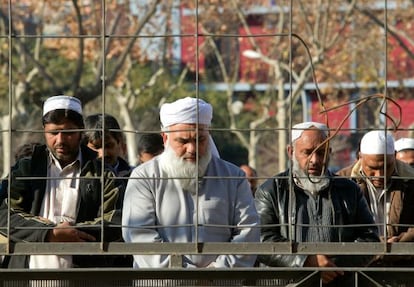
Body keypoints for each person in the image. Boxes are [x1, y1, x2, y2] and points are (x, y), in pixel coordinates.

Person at [122, 97, 260, 268]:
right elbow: (140, 237)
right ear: (165, 138)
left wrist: (216, 274)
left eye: (200, 140)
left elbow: (248, 233)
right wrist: (187, 278)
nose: (192, 149)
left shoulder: (234, 177)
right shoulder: (143, 177)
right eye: (183, 141)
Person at [0, 95, 123, 269]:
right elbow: (4, 213)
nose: (60, 140)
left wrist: (72, 233)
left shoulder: (102, 173)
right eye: (53, 133)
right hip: (26, 274)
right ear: (44, 130)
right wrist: (49, 233)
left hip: (85, 277)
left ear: (81, 131)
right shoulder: (26, 169)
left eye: (68, 133)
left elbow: (116, 219)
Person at [254, 122, 379, 286]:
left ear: (330, 153)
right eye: (307, 153)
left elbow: (370, 238)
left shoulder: (349, 190)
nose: (315, 160)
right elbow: (261, 239)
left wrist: (330, 265)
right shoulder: (271, 191)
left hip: (338, 281)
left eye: (321, 153)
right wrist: (306, 261)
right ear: (291, 152)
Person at [337, 131, 414, 266]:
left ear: (394, 156)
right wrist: (373, 244)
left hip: (404, 267)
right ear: (360, 158)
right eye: (372, 168)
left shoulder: (410, 179)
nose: (380, 175)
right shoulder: (342, 181)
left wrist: (400, 243)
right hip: (359, 268)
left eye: (387, 167)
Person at [83, 113, 132, 177]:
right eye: (96, 147)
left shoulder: (134, 176)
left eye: (108, 146)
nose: (102, 154)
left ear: (119, 143)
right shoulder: (77, 175)